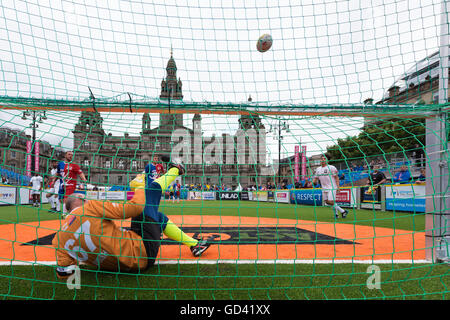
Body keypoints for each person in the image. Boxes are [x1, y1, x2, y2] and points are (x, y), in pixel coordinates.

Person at [52, 159, 214, 279]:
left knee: (156, 217)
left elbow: (64, 273)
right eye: (84, 198)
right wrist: (138, 190)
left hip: (119, 261)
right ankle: (176, 170)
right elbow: (133, 208)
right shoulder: (89, 208)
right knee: (149, 195)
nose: (87, 200)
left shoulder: (58, 238)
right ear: (80, 201)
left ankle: (194, 245)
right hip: (142, 254)